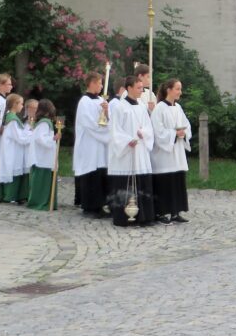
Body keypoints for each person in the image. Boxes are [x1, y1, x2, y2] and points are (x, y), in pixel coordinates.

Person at [108, 75, 155, 227]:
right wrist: (127, 140)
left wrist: (144, 133)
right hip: (126, 152)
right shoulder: (120, 107)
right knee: (125, 184)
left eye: (142, 88)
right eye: (139, 88)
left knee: (141, 182)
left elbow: (149, 127)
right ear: (129, 88)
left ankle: (144, 216)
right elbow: (115, 131)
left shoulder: (142, 106)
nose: (142, 91)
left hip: (140, 151)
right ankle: (123, 218)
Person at [151, 79, 192, 224]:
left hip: (177, 152)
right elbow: (157, 131)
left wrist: (184, 133)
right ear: (168, 90)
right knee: (165, 183)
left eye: (180, 89)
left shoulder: (178, 107)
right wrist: (174, 134)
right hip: (164, 154)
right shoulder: (159, 108)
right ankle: (161, 212)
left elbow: (187, 125)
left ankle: (175, 212)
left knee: (177, 181)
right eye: (177, 89)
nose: (180, 92)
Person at [74, 71, 111, 217]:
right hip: (89, 143)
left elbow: (107, 120)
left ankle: (100, 205)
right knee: (91, 174)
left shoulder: (100, 101)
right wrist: (104, 132)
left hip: (100, 145)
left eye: (102, 83)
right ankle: (89, 207)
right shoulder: (85, 101)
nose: (101, 86)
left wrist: (107, 112)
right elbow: (88, 123)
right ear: (92, 83)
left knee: (100, 173)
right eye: (99, 83)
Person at [0, 93, 32, 203]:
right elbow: (20, 138)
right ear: (14, 104)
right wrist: (32, 133)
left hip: (12, 149)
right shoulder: (12, 120)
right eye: (21, 103)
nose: (22, 106)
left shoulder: (11, 117)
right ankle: (9, 195)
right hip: (12, 151)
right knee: (12, 170)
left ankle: (10, 195)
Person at [27, 100, 61, 211]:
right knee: (42, 181)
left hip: (44, 156)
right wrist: (53, 138)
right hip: (43, 157)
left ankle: (48, 202)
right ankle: (41, 202)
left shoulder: (43, 122)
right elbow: (40, 138)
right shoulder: (45, 122)